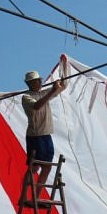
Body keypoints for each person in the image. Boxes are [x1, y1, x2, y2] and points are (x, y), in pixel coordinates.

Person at [21, 70, 66, 206]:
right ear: (30, 83)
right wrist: (52, 91)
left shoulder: (43, 92)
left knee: (47, 167)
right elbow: (37, 105)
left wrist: (63, 74)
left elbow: (63, 86)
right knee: (34, 168)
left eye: (40, 80)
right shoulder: (26, 97)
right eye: (37, 80)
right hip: (35, 136)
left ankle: (37, 197)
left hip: (46, 135)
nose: (40, 82)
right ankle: (23, 197)